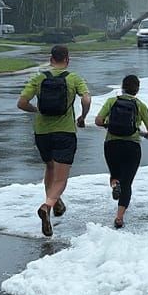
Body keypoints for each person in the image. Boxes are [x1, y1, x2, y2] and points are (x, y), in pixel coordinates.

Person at [16, 44, 91, 237]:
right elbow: (86, 100)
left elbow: (21, 103)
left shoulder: (39, 78)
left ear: (51, 59)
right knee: (61, 178)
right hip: (65, 133)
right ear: (67, 59)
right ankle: (47, 205)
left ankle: (55, 203)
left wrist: (37, 110)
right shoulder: (74, 78)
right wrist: (82, 116)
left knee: (49, 168)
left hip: (42, 133)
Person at [95, 74, 148, 228]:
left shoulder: (112, 101)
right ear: (137, 90)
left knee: (115, 174)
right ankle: (119, 217)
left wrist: (108, 125)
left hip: (111, 144)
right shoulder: (140, 105)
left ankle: (115, 184)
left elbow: (98, 121)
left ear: (122, 87)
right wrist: (147, 134)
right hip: (132, 146)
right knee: (127, 183)